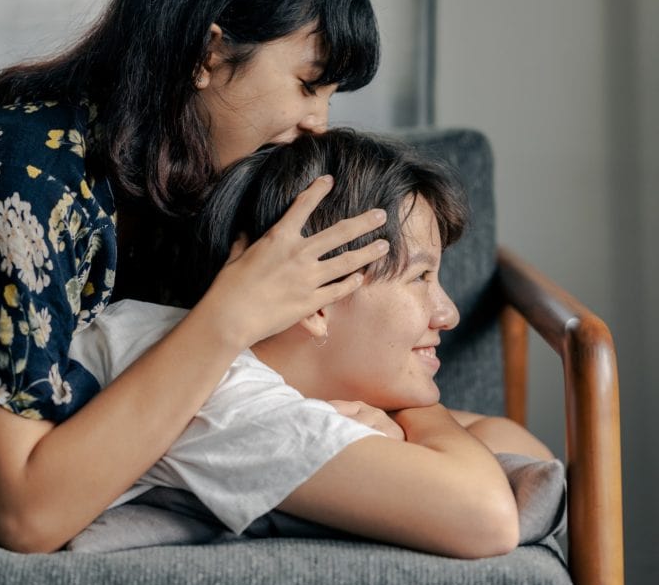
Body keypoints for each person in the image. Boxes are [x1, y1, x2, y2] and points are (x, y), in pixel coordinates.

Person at [0, 0, 390, 554]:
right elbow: (25, 515)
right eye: (308, 84)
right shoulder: (28, 176)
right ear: (209, 51)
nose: (319, 120)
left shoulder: (207, 188)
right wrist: (231, 315)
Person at [69, 129, 554, 559]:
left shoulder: (245, 367)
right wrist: (418, 412)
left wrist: (400, 422)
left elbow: (522, 451)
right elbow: (487, 519)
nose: (448, 314)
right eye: (421, 276)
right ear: (316, 300)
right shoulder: (227, 397)